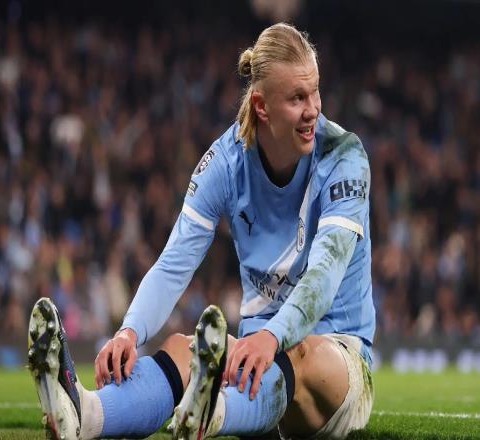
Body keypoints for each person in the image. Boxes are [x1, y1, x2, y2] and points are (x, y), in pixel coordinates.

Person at [28, 22, 375, 440]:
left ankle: (212, 411)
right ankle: (85, 415)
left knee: (300, 354)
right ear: (262, 106)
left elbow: (324, 273)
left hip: (335, 360)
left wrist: (272, 335)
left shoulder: (344, 156)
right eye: (297, 97)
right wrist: (129, 331)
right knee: (181, 349)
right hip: (258, 358)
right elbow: (173, 264)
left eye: (315, 92)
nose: (313, 109)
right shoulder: (225, 161)